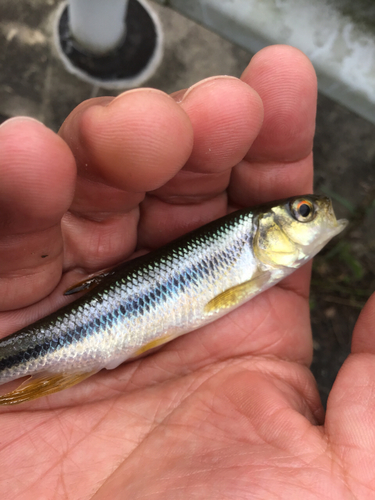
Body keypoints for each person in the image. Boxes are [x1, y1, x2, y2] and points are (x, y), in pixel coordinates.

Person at [0, 44, 374, 499]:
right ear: (265, 231)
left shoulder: (254, 258)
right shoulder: (250, 253)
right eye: (302, 211)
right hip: (91, 336)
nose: (315, 214)